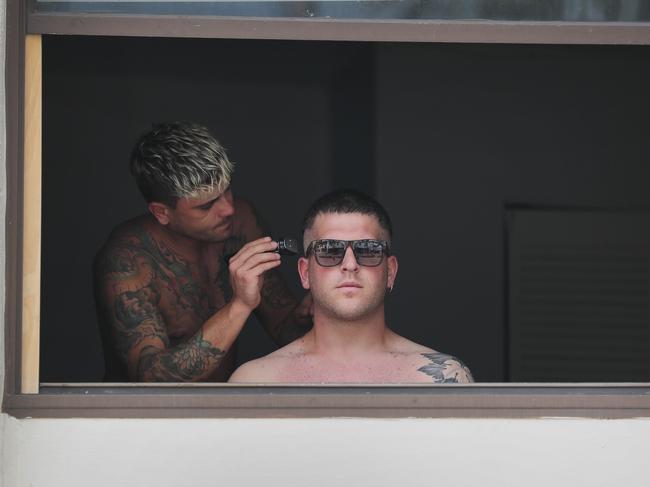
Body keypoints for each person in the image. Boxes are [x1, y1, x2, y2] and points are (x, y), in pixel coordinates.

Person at [93, 122, 311, 382]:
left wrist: (309, 315)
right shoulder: (127, 261)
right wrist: (239, 305)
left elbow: (284, 327)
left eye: (227, 190)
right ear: (162, 213)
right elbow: (151, 380)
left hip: (221, 411)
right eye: (206, 206)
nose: (228, 209)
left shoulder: (240, 223)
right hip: (145, 420)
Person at [229, 189, 473, 383]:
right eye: (329, 251)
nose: (349, 264)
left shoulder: (440, 378)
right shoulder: (257, 381)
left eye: (368, 251)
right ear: (305, 273)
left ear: (391, 272)